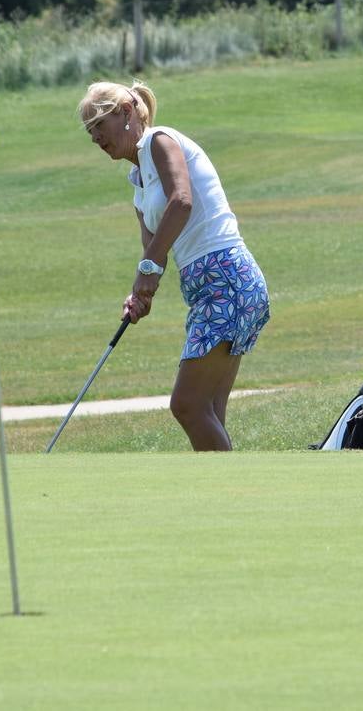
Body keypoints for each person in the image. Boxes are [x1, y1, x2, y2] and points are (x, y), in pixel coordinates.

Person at [78, 80, 270, 451]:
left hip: (227, 279)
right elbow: (153, 253)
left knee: (187, 405)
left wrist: (147, 270)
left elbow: (181, 201)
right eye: (90, 132)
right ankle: (226, 500)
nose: (95, 138)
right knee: (208, 411)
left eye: (99, 124)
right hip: (211, 288)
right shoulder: (137, 183)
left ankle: (234, 497)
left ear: (126, 112)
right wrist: (139, 296)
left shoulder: (159, 141)